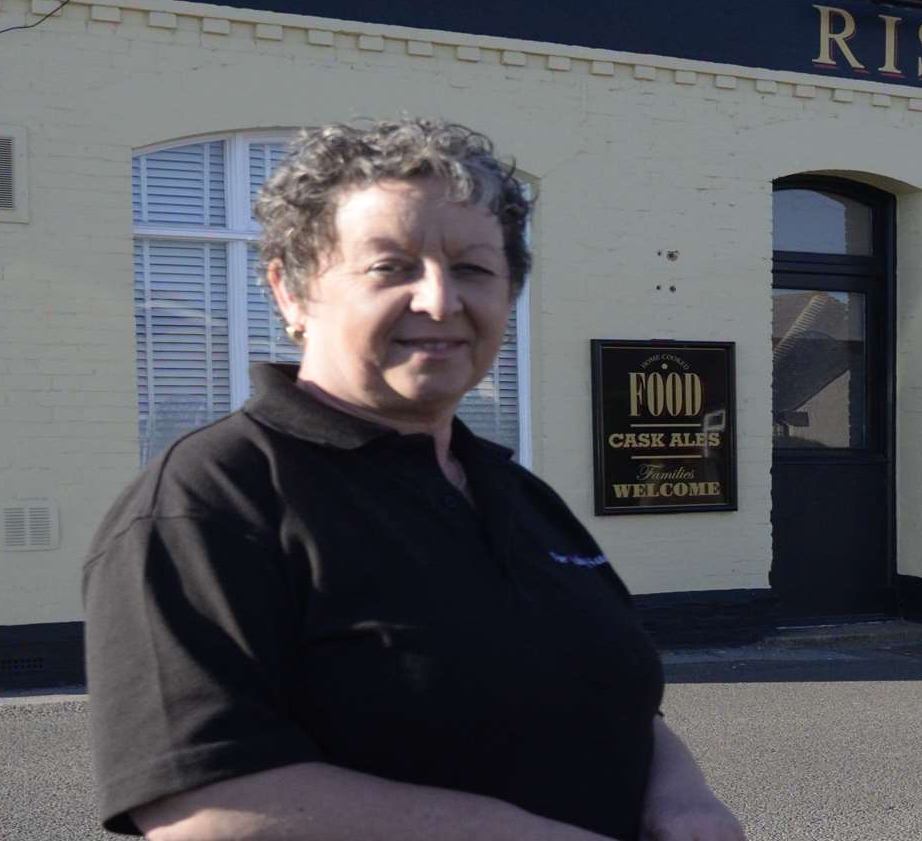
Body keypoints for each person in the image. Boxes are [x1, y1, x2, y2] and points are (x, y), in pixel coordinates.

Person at [83, 119, 745, 841]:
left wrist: (681, 793)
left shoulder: (517, 495)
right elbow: (204, 808)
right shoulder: (210, 501)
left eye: (473, 269)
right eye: (391, 266)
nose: (439, 301)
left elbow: (616, 701)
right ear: (292, 292)